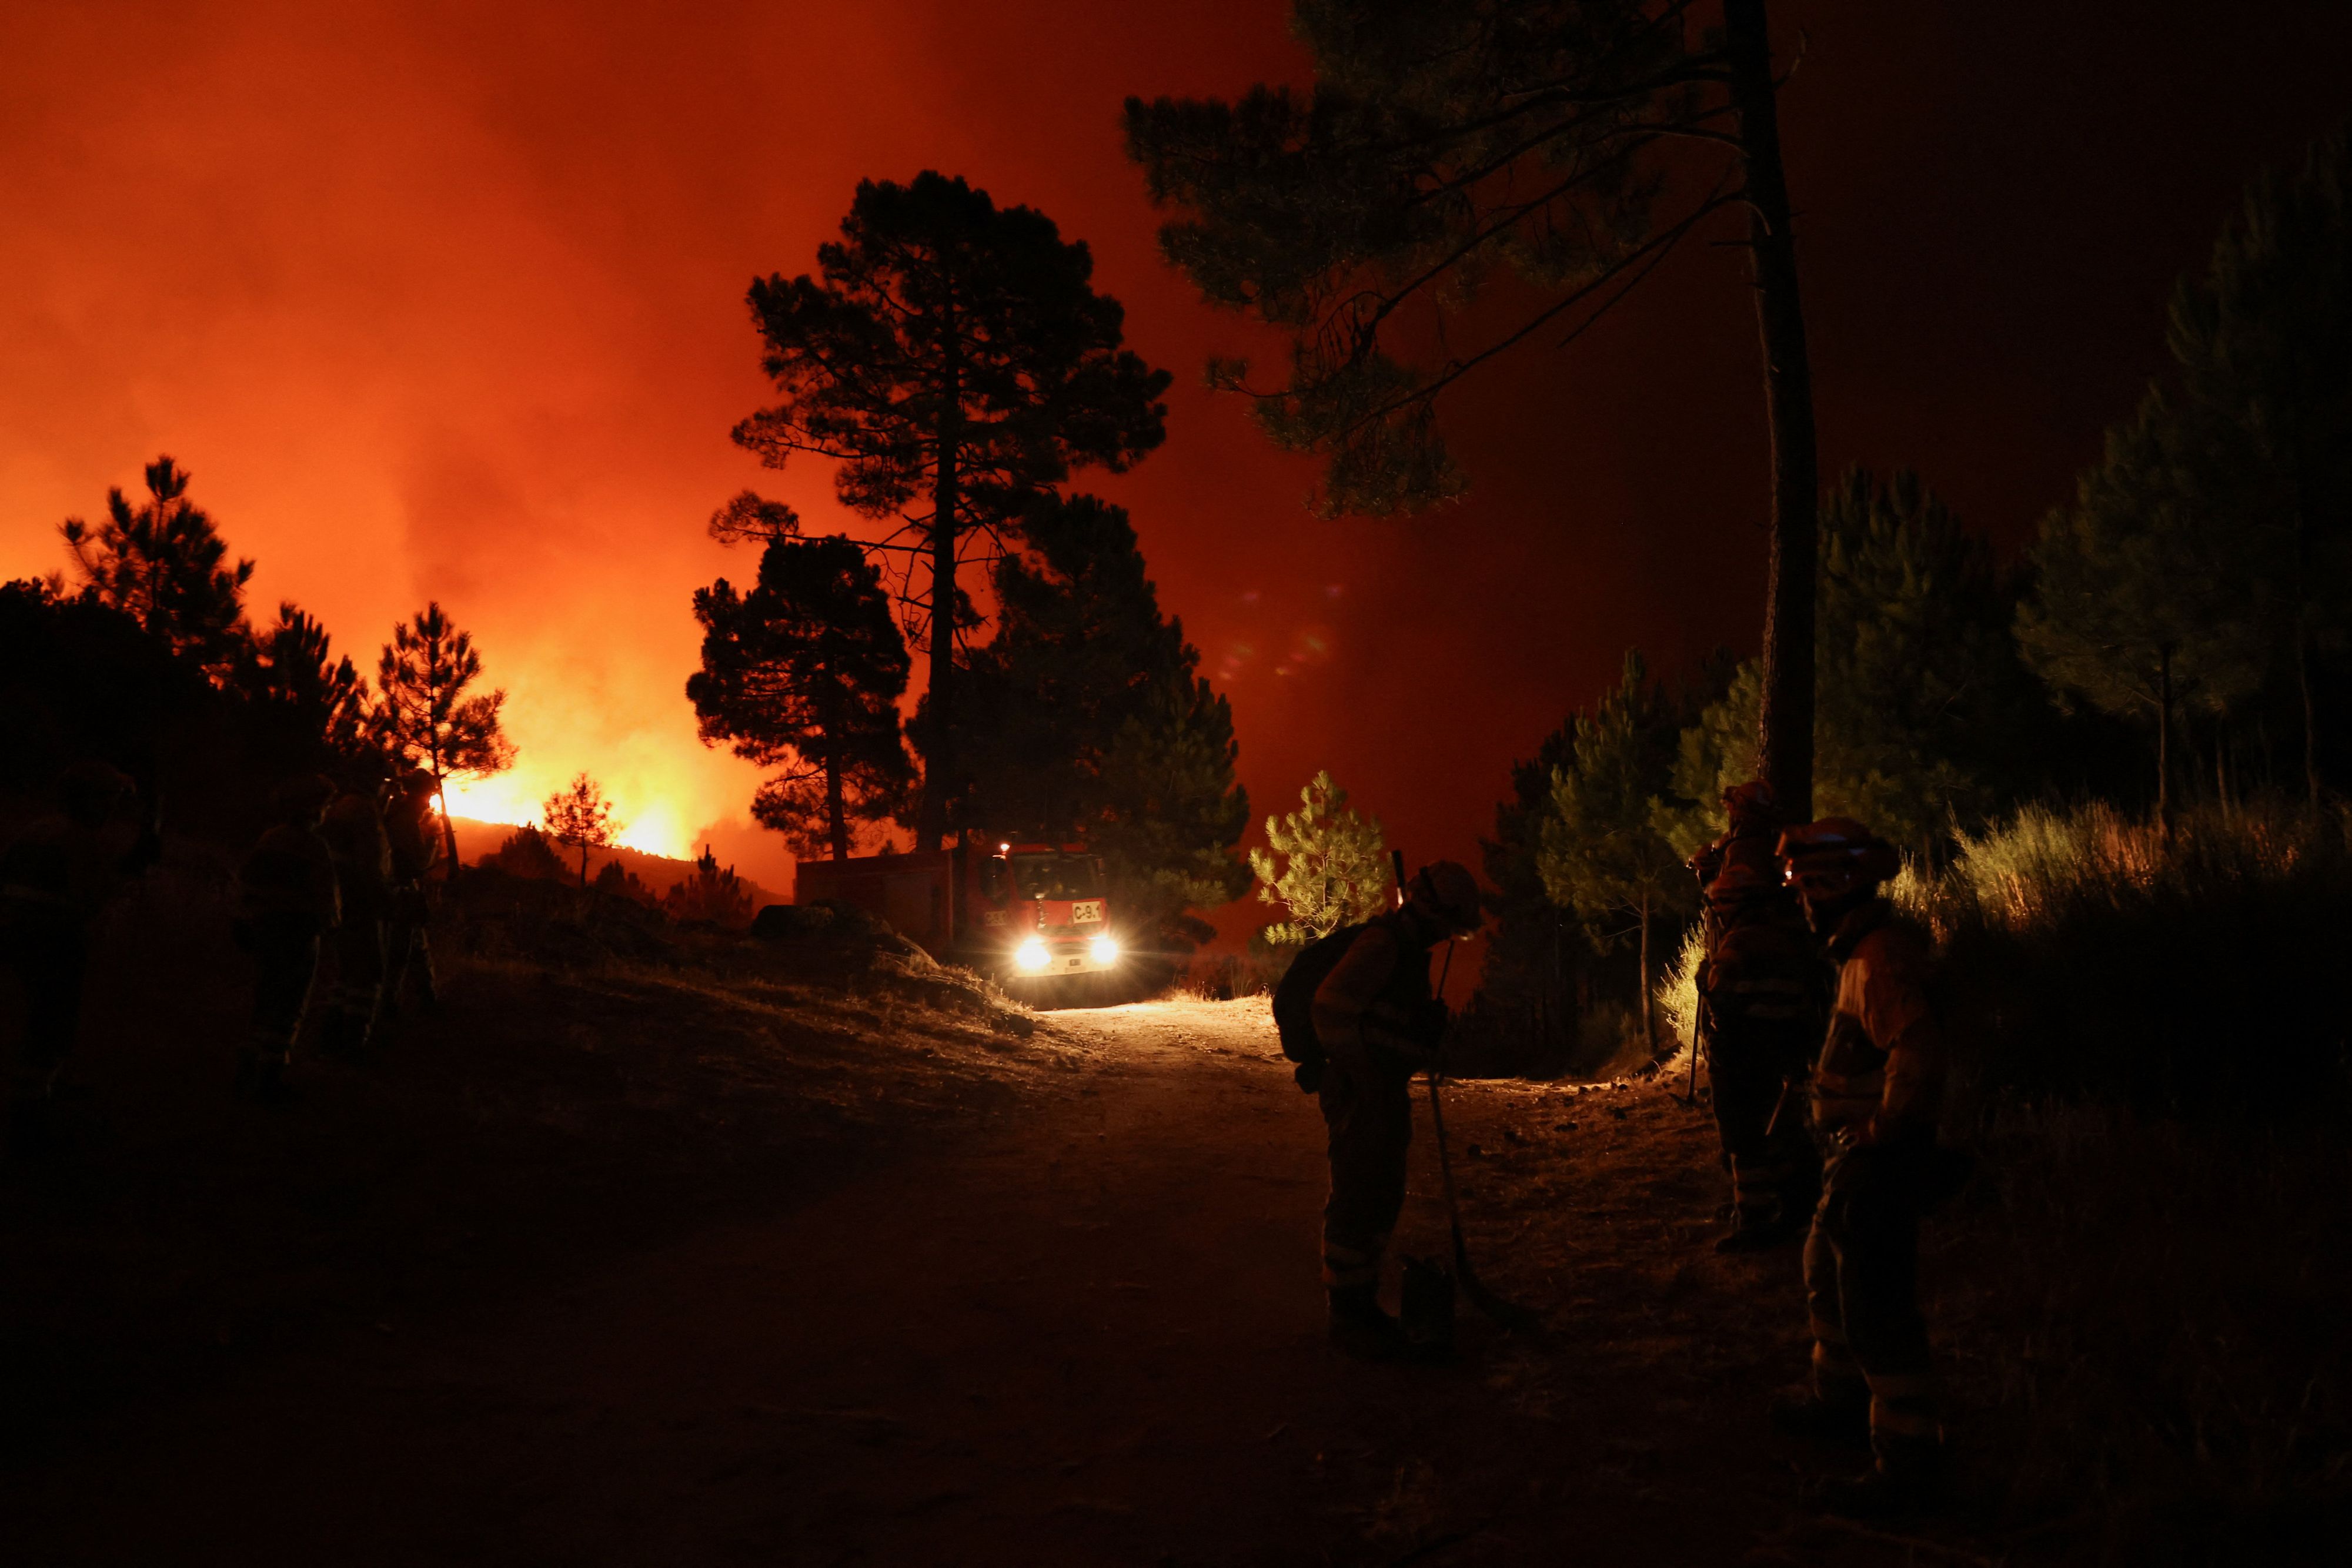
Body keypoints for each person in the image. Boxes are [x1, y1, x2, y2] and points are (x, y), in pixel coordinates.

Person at [1773, 817, 1957, 1516]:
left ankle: (1907, 1465)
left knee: (1874, 1303)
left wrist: (1883, 1126)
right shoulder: (1861, 954)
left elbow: (1917, 1048)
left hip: (1881, 1159)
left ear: (1833, 886)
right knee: (1828, 1271)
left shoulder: (1878, 958)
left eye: (1805, 890)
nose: (1801, 904)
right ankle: (1841, 1403)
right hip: (1858, 1154)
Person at [1309, 859, 1484, 1359]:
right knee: (1358, 1193)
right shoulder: (1381, 946)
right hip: (1360, 1088)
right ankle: (1347, 1314)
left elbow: (1384, 1019)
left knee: (1381, 1190)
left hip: (1379, 1087)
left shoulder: (1404, 952)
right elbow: (1329, 1008)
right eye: (1448, 925)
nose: (1446, 937)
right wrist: (1371, 1066)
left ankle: (1360, 1301)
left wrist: (1416, 1031)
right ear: (1430, 910)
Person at [1687, 781, 1826, 1251]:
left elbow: (1725, 992)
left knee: (1743, 1120)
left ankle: (1758, 1216)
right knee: (1776, 1117)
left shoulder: (1745, 853)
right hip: (1786, 1008)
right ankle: (1788, 1203)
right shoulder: (1775, 847)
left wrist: (1708, 978)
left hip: (1748, 1016)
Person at [1, 761, 154, 1151]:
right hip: (54, 938)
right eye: (108, 800)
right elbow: (91, 895)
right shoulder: (79, 840)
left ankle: (45, 1086)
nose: (111, 809)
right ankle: (27, 1113)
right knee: (50, 1022)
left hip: (17, 933)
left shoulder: (37, 830)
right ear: (89, 800)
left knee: (36, 1015)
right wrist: (129, 872)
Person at [233, 775, 340, 1101]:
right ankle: (271, 1076)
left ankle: (247, 1068)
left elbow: (247, 881)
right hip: (299, 932)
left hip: (266, 926)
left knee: (265, 998)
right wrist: (331, 925)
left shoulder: (270, 838)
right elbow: (326, 896)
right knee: (290, 1004)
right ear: (314, 810)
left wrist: (246, 919)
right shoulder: (315, 847)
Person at [318, 780, 394, 1058]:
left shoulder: (341, 807)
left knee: (346, 973)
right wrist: (384, 898)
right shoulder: (365, 811)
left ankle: (331, 1036)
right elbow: (370, 863)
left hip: (342, 901)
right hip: (361, 902)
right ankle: (354, 1044)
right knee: (369, 972)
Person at [381, 768, 442, 1015]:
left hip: (402, 892)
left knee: (416, 945)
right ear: (420, 794)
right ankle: (389, 1003)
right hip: (401, 893)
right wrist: (433, 841)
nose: (429, 802)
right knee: (400, 950)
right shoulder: (406, 822)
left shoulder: (397, 813)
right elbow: (419, 862)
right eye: (428, 795)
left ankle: (427, 998)